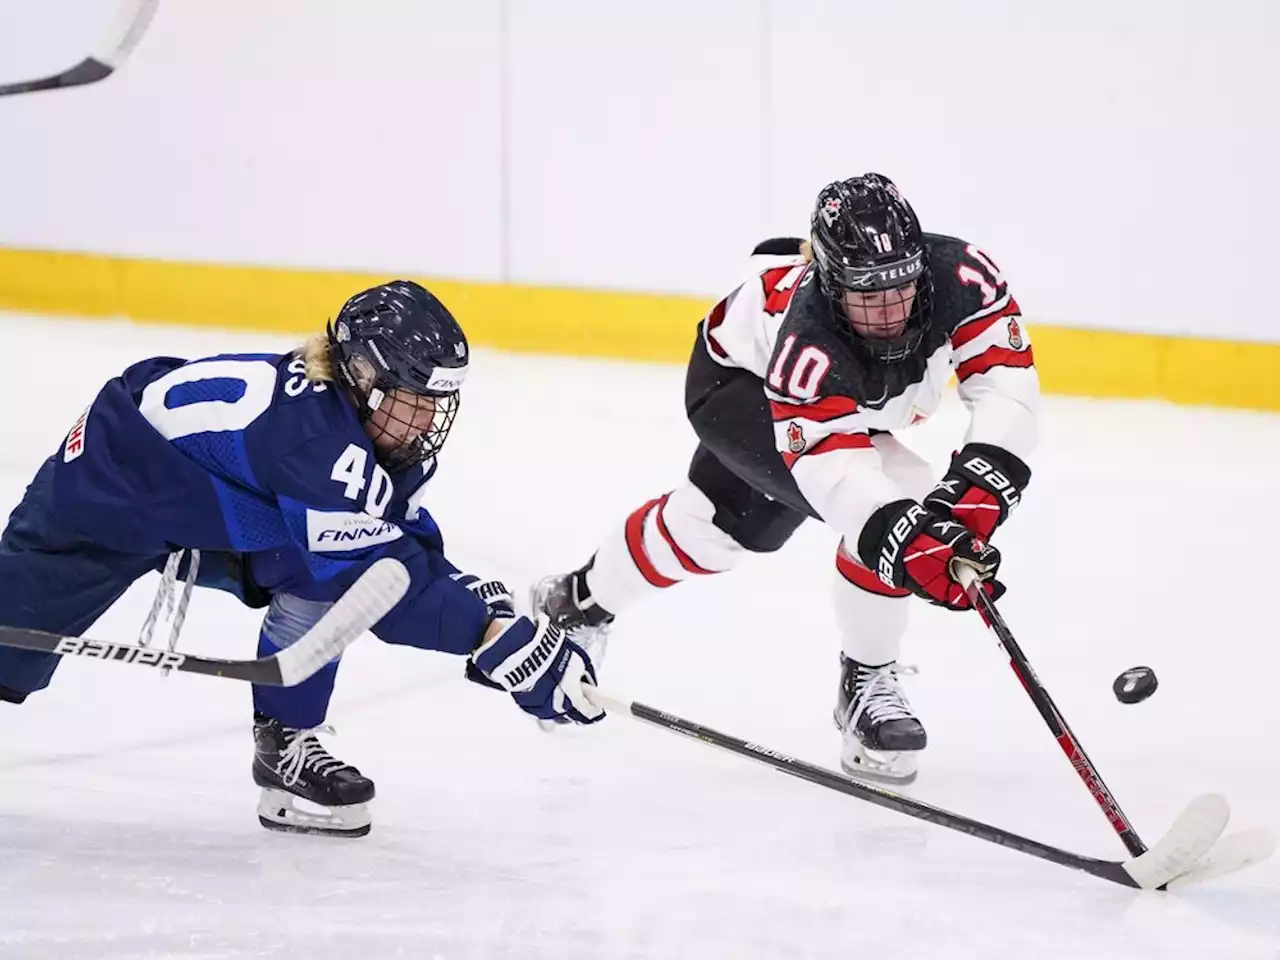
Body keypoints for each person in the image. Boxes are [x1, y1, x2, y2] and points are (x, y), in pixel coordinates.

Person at [0, 279, 603, 836]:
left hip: (222, 509)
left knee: (320, 573)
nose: (426, 419)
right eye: (413, 398)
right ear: (363, 377)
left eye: (435, 402)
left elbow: (394, 545)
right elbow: (380, 584)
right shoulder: (313, 443)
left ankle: (285, 744)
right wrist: (491, 636)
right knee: (7, 654)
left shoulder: (366, 427)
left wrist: (478, 604)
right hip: (110, 494)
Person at [532, 173, 1040, 783]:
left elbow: (1007, 386)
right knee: (893, 506)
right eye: (865, 295)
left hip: (835, 397)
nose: (887, 313)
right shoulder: (809, 342)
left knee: (710, 532)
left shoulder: (963, 278)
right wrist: (905, 535)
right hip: (738, 386)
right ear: (829, 285)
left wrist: (982, 492)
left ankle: (576, 601)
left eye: (900, 287)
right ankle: (865, 683)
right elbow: (838, 470)